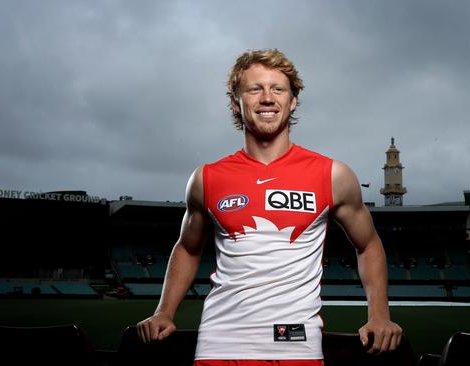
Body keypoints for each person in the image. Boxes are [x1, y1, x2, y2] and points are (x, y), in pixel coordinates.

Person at [137, 48, 402, 365]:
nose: (267, 98)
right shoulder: (206, 178)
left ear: (292, 101)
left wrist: (379, 315)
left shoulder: (333, 176)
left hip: (295, 345)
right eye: (254, 89)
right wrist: (164, 312)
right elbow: (188, 248)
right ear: (237, 102)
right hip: (219, 344)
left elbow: (369, 244)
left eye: (278, 89)